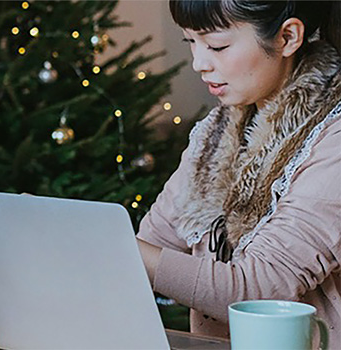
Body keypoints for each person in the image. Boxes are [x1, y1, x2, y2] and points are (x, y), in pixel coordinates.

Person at [136, 0, 341, 343]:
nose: (198, 63)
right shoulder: (215, 131)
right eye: (191, 42)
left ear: (288, 37)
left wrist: (110, 245)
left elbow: (261, 289)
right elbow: (155, 243)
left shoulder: (333, 139)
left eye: (217, 45)